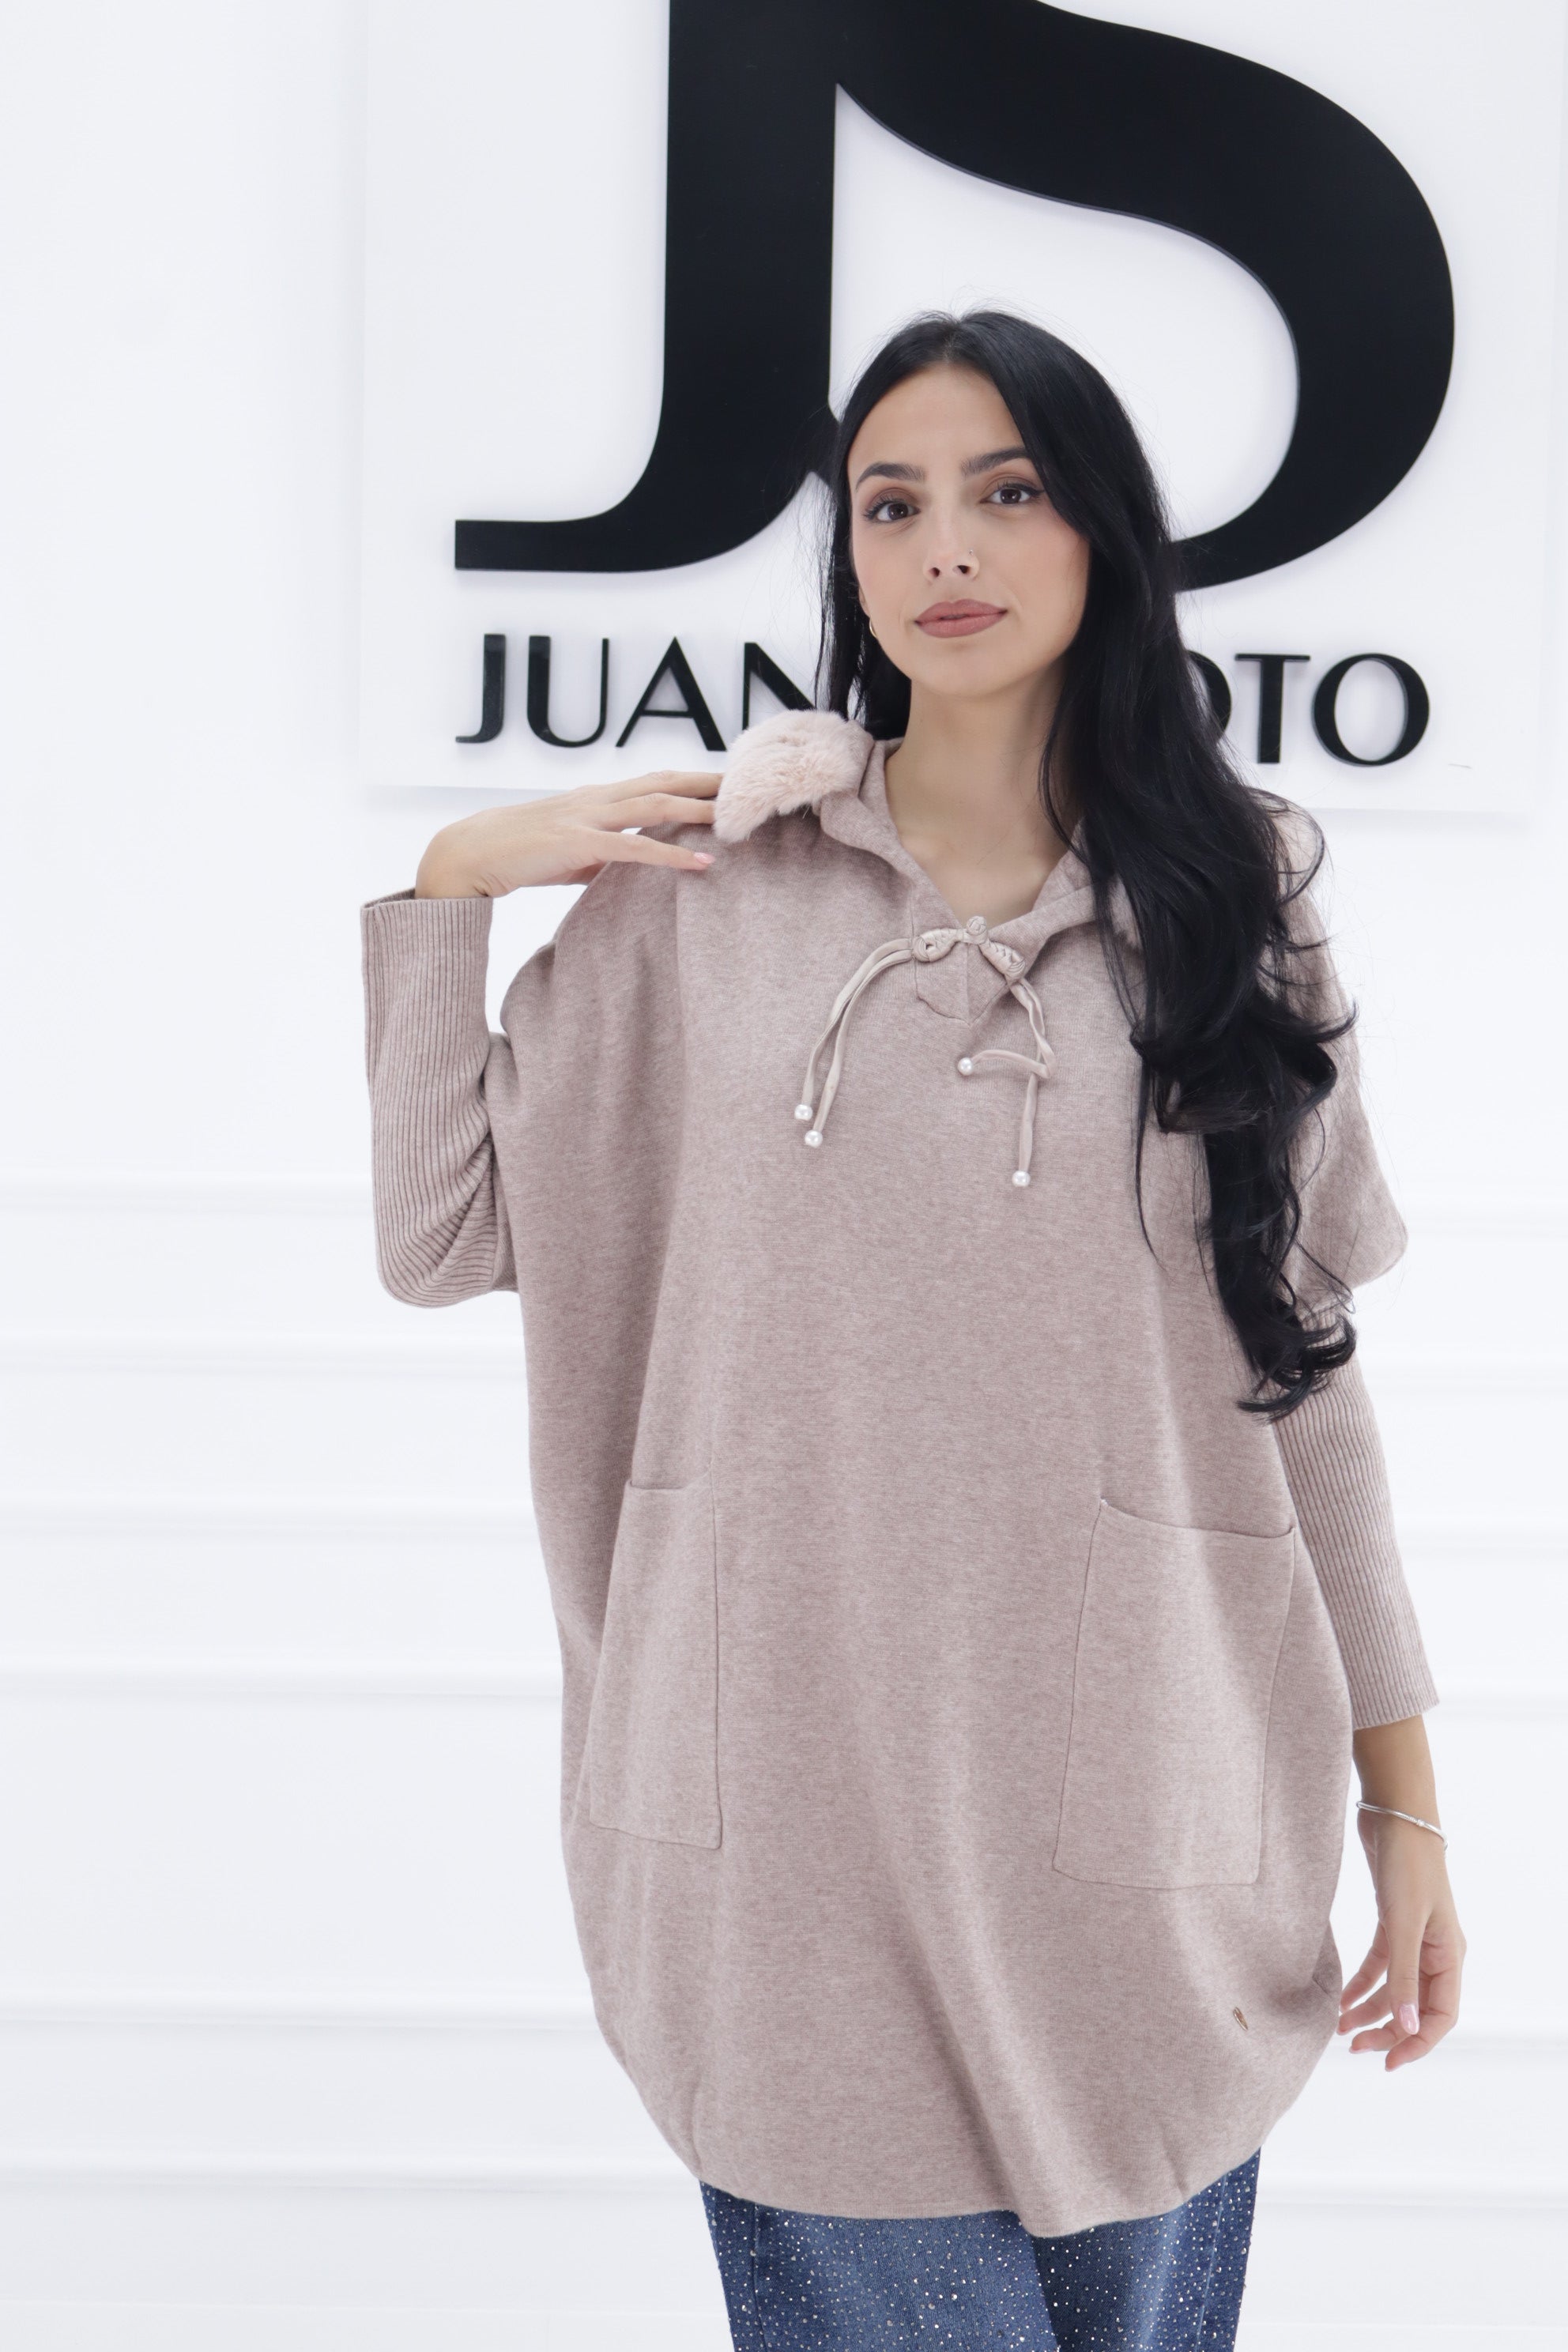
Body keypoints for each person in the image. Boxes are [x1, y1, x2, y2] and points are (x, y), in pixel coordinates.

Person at [361, 311, 1464, 2350]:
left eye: (1006, 489)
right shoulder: (700, 894)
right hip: (782, 1858)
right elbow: (442, 1237)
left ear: (1102, 532)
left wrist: (1407, 1800)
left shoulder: (1237, 903)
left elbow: (1306, 1383)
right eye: (891, 504)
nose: (944, 544)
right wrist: (451, 892)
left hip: (1151, 1864)